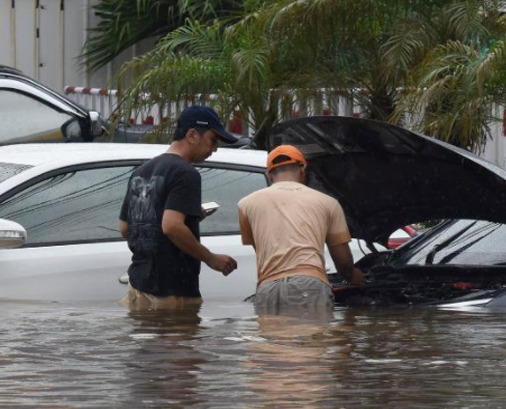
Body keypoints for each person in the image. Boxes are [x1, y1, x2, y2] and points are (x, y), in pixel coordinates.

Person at [118, 105, 240, 310]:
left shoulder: (140, 171)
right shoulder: (186, 173)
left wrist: (190, 216)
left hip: (139, 288)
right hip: (171, 292)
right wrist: (211, 259)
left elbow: (125, 228)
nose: (215, 148)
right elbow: (172, 227)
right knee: (184, 341)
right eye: (213, 140)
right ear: (192, 135)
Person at [237, 145, 365, 319]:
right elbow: (343, 263)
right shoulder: (328, 203)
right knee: (308, 344)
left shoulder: (246, 204)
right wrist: (355, 277)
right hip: (308, 285)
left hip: (267, 288)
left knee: (272, 344)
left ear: (269, 174)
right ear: (303, 169)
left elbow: (261, 251)